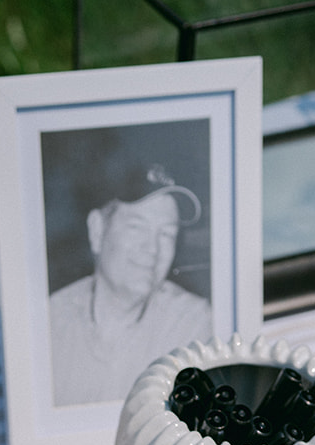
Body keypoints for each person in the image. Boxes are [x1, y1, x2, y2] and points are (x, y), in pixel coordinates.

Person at [48, 165, 213, 407]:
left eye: (167, 234)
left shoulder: (192, 324)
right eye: (137, 227)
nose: (153, 249)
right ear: (97, 229)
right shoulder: (50, 322)